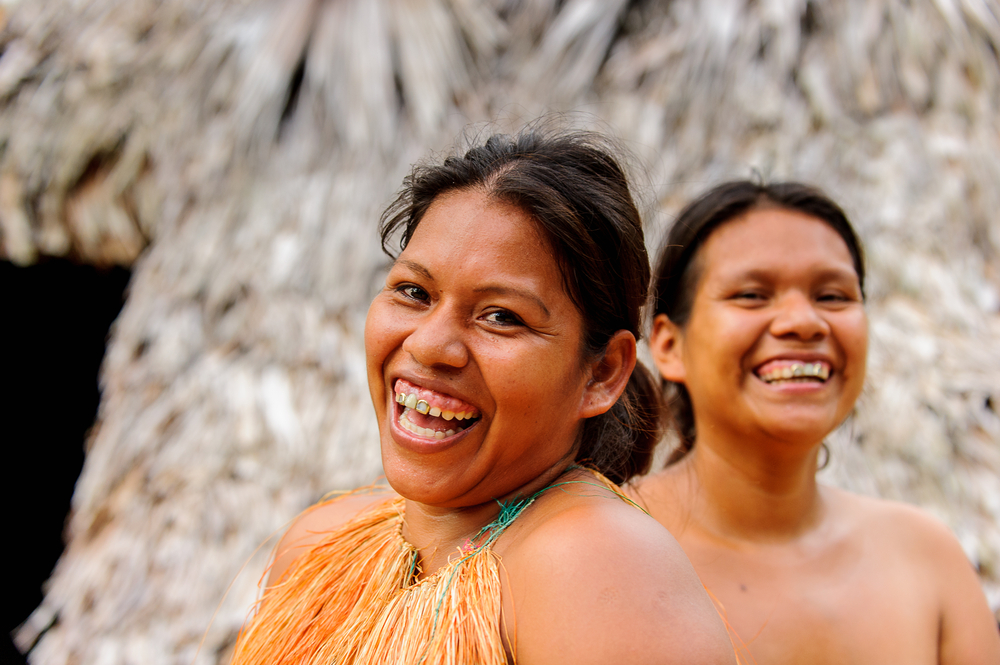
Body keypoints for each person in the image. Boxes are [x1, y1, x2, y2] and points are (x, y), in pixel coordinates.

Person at [229, 127, 737, 665]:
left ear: (601, 373)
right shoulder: (318, 545)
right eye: (414, 292)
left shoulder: (598, 566)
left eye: (501, 317)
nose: (428, 346)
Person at [628, 180, 1000, 664]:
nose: (804, 322)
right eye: (752, 294)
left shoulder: (927, 556)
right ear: (669, 346)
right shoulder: (607, 545)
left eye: (833, 296)